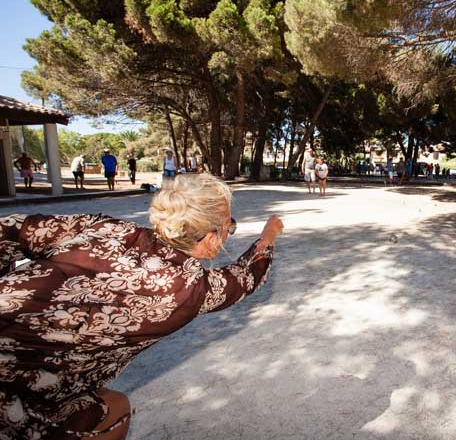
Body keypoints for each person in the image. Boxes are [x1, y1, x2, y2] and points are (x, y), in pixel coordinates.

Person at [0, 173, 283, 440]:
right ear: (210, 240)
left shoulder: (104, 226)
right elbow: (246, 277)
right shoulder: (189, 290)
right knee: (115, 407)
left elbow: (9, 229)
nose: (228, 234)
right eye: (228, 227)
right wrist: (268, 235)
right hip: (14, 391)